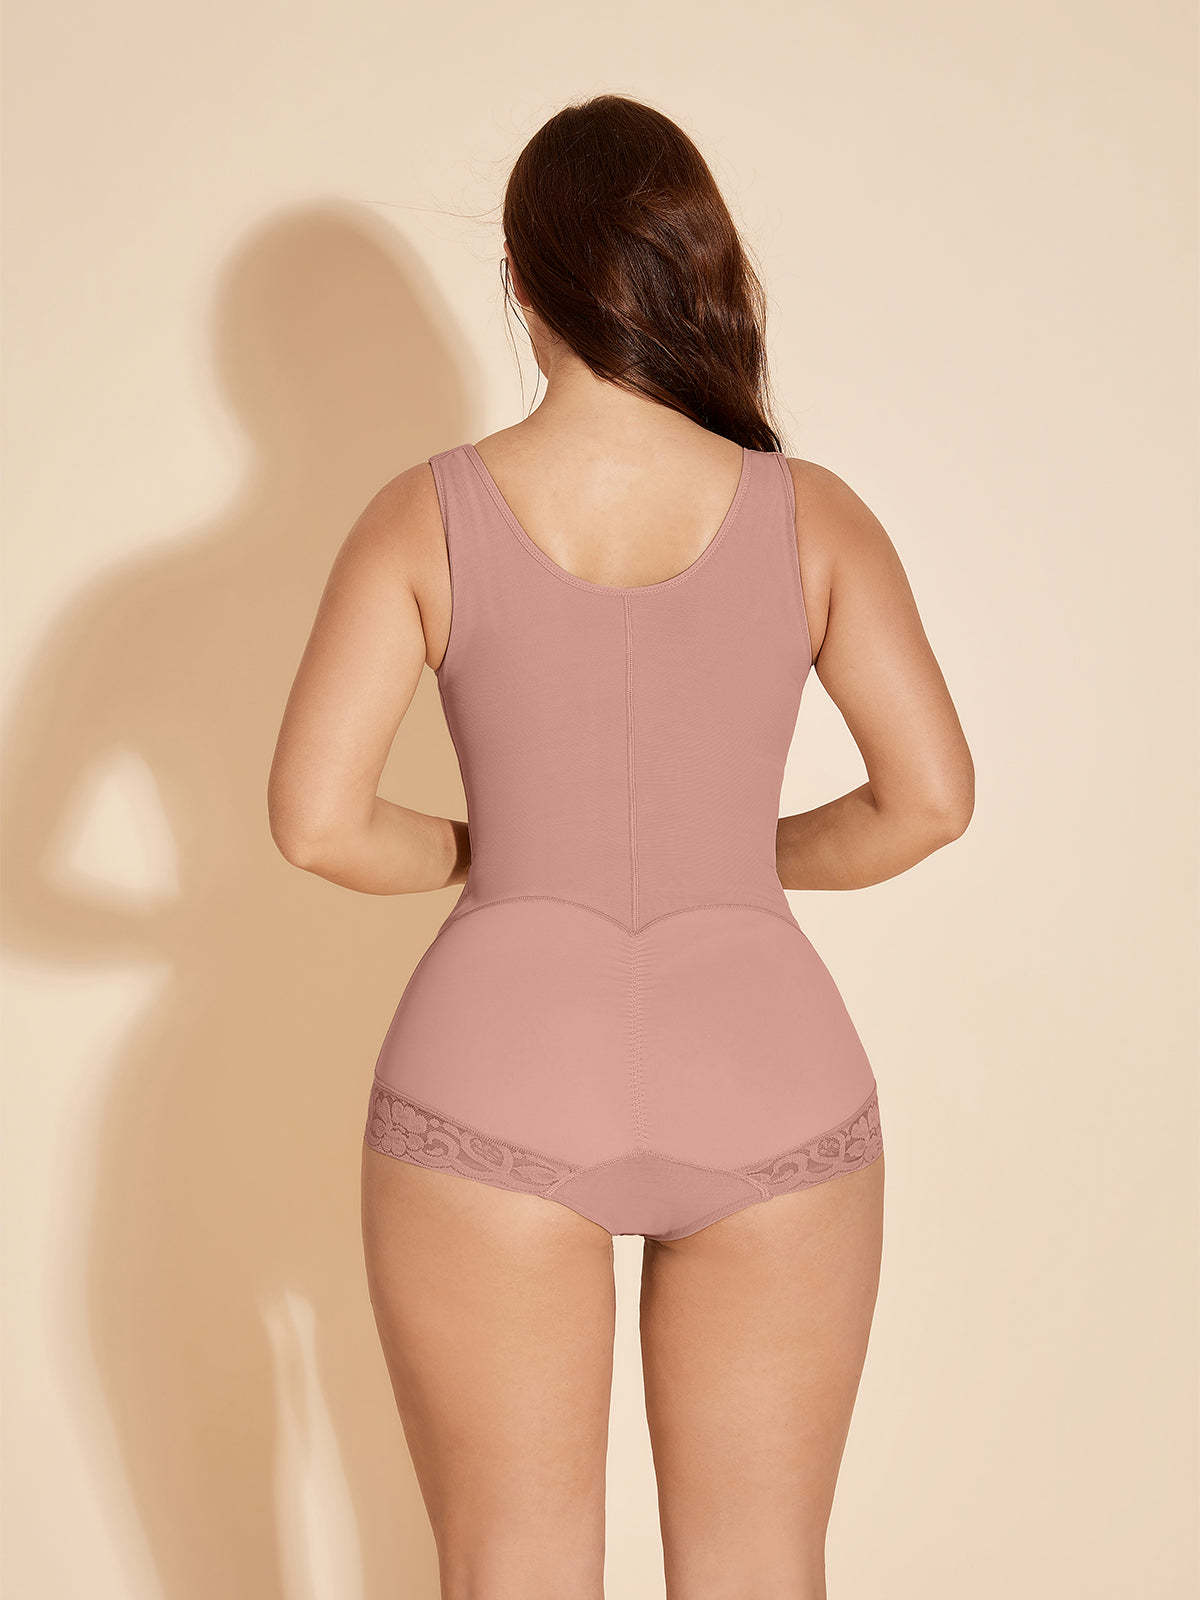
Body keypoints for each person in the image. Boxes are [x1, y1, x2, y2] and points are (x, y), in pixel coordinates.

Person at [268, 93, 973, 1600]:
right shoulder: (814, 516)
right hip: (767, 1067)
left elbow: (317, 824)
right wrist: (739, 864)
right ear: (698, 269)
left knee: (510, 1565)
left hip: (495, 1069)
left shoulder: (424, 515)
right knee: (763, 1564)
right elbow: (928, 800)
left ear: (522, 283)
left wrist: (482, 852)